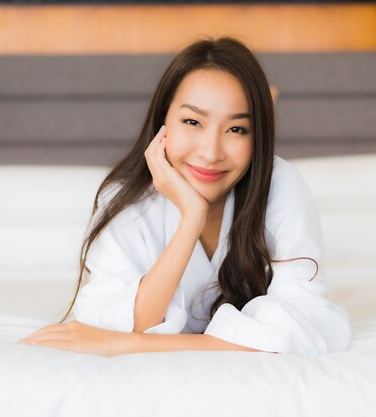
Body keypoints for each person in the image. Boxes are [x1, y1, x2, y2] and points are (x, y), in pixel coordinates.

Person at [19, 36, 351, 356]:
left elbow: (306, 321)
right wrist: (191, 218)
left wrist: (135, 346)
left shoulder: (281, 185)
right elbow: (124, 320)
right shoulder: (124, 202)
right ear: (163, 122)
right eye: (192, 121)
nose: (210, 152)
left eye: (237, 129)